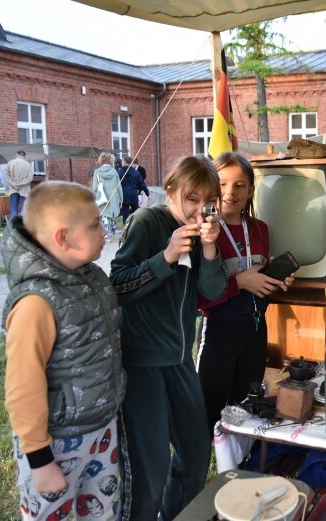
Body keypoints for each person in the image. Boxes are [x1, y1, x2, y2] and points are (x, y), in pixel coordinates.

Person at [0, 181, 126, 521]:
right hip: (54, 445)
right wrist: (40, 461)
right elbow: (22, 387)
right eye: (95, 225)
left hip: (99, 431)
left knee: (102, 512)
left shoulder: (91, 277)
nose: (104, 232)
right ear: (63, 238)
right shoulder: (35, 304)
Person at [109, 155, 227, 520]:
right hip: (142, 364)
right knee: (151, 468)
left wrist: (209, 250)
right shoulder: (146, 221)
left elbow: (213, 290)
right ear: (171, 191)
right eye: (191, 199)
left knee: (195, 456)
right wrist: (166, 255)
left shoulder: (203, 233)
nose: (198, 211)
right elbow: (117, 285)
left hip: (180, 361)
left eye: (207, 202)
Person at [197, 152, 294, 436]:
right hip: (219, 331)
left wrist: (276, 280)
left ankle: (234, 455)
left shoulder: (260, 229)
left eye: (240, 185)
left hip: (254, 330)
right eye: (223, 183)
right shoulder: (205, 232)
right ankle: (201, 465)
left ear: (251, 189)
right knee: (209, 407)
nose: (230, 192)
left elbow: (259, 278)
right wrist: (240, 282)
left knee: (242, 407)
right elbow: (197, 295)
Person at [92, 152, 123, 239]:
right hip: (114, 197)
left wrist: (94, 199)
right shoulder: (115, 172)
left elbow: (94, 187)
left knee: (105, 214)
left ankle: (106, 233)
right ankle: (113, 231)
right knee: (113, 214)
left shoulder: (97, 172)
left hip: (102, 197)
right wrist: (121, 199)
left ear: (101, 160)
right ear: (110, 160)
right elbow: (119, 187)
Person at [118, 156, 149, 225]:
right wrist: (147, 192)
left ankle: (126, 227)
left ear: (124, 162)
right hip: (133, 194)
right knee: (136, 212)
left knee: (125, 214)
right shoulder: (136, 172)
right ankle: (137, 225)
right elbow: (141, 184)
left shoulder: (119, 172)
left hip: (124, 195)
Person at [5, 151, 33, 219]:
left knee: (14, 208)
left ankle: (14, 225)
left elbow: (6, 175)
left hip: (13, 188)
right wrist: (21, 184)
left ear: (16, 155)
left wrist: (14, 184)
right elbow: (30, 178)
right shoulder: (28, 164)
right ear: (24, 156)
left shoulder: (10, 163)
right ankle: (23, 225)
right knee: (24, 209)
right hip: (24, 189)